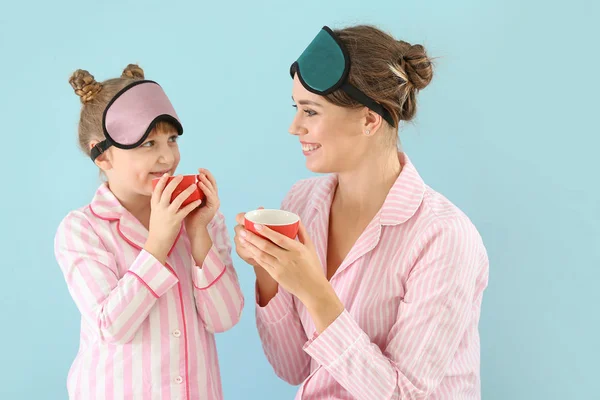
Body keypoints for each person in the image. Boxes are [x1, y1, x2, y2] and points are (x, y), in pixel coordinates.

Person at [234, 25, 489, 399]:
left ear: (369, 120)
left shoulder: (444, 236)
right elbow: (293, 369)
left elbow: (407, 395)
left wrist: (315, 292)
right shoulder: (301, 203)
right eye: (296, 108)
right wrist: (268, 268)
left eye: (310, 111)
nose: (294, 127)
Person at [54, 64, 244, 399]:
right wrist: (158, 242)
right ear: (102, 156)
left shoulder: (200, 216)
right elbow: (112, 327)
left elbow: (225, 318)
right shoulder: (83, 230)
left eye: (171, 139)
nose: (167, 156)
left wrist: (198, 234)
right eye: (147, 144)